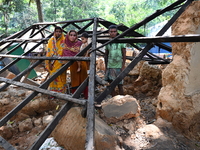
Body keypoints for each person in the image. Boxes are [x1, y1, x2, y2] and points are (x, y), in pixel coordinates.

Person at [62, 30, 88, 99]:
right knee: (75, 80)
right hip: (73, 64)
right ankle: (76, 97)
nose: (72, 37)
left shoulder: (80, 43)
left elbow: (86, 52)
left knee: (84, 79)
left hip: (82, 63)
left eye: (74, 35)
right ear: (68, 35)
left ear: (76, 36)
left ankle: (86, 96)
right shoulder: (65, 44)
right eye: (71, 35)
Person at [104, 25, 126, 97]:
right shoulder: (108, 42)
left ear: (117, 32)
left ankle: (122, 101)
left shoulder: (121, 41)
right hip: (110, 66)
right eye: (111, 32)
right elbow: (106, 55)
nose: (113, 33)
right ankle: (113, 100)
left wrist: (123, 66)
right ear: (108, 32)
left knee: (120, 85)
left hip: (118, 66)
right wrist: (106, 66)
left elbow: (124, 54)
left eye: (114, 31)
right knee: (111, 85)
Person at [45, 26, 66, 98]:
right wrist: (49, 62)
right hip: (53, 62)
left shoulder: (64, 40)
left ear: (61, 32)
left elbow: (65, 51)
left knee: (61, 76)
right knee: (53, 77)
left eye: (59, 32)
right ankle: (53, 93)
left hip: (61, 63)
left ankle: (61, 94)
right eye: (56, 31)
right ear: (54, 32)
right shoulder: (51, 40)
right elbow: (48, 51)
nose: (58, 33)